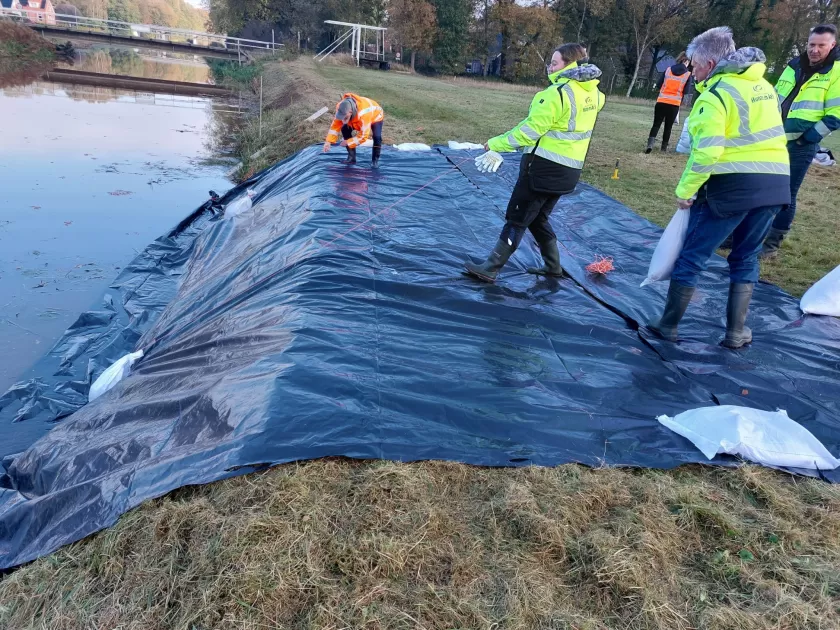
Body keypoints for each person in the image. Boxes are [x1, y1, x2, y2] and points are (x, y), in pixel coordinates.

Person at [648, 27, 790, 349]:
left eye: (695, 67)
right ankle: (736, 332)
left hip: (732, 187)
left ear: (710, 64)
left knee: (692, 256)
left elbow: (707, 151)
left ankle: (667, 325)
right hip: (775, 185)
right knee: (746, 257)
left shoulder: (715, 95)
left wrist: (685, 191)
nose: (692, 73)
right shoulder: (764, 87)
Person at [464, 43, 605, 283]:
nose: (549, 67)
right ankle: (553, 267)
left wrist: (496, 143)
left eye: (554, 62)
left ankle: (491, 267)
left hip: (541, 169)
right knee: (538, 218)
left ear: (570, 65)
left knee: (517, 218)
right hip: (569, 172)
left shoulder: (556, 94)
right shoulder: (595, 94)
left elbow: (529, 132)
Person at [761, 24, 839, 256]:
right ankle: (741, 235)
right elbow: (774, 97)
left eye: (821, 45)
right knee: (758, 186)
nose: (814, 50)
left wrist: (810, 138)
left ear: (832, 45)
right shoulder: (793, 65)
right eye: (811, 44)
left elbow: (836, 114)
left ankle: (771, 244)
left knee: (786, 194)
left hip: (801, 145)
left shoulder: (836, 72)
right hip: (773, 138)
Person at [646, 52, 691, 153]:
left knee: (656, 124)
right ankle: (663, 149)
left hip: (661, 101)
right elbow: (686, 92)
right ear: (686, 61)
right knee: (668, 127)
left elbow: (658, 85)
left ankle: (650, 145)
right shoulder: (688, 75)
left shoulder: (668, 70)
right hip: (674, 104)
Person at [322, 93, 384, 167]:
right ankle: (351, 158)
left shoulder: (364, 114)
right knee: (344, 128)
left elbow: (363, 136)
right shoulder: (341, 107)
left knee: (377, 137)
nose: (342, 120)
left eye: (345, 117)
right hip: (357, 116)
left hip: (375, 116)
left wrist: (348, 142)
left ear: (351, 112)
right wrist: (328, 141)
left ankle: (375, 162)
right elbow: (335, 125)